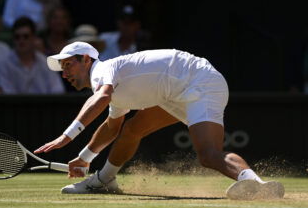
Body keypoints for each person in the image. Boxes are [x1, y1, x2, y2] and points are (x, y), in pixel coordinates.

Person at [34, 41, 285, 200]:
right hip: (179, 89)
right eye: (62, 68)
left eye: (68, 65)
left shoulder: (103, 71)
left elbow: (102, 97)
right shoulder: (111, 88)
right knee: (132, 128)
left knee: (208, 155)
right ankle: (104, 180)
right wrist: (84, 158)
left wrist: (66, 136)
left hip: (199, 80)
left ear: (86, 60)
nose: (65, 73)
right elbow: (112, 127)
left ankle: (253, 182)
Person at [0, 17, 65, 94]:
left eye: (26, 36)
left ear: (33, 38)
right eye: (17, 37)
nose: (21, 41)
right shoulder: (4, 65)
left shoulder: (46, 63)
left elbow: (57, 90)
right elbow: (7, 95)